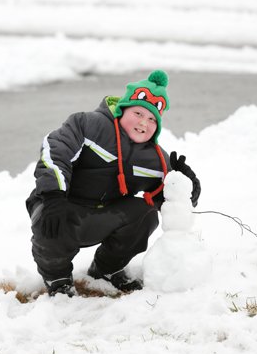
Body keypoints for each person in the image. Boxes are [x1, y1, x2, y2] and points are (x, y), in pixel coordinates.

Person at [25, 70, 202, 297]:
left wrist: (187, 183)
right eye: (138, 113)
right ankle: (58, 278)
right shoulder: (88, 124)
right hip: (61, 205)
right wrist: (53, 195)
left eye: (151, 119)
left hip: (104, 215)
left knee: (145, 213)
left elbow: (171, 203)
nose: (143, 123)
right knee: (50, 219)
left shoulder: (155, 158)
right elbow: (55, 150)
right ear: (122, 110)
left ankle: (105, 271)